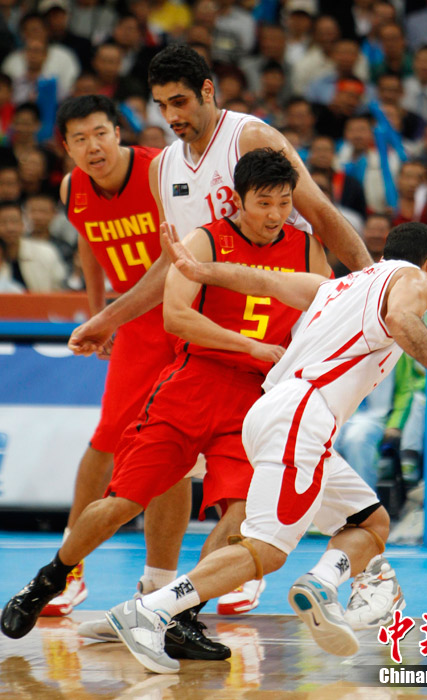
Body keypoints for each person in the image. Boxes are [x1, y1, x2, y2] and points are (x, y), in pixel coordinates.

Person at [64, 44, 394, 624]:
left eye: (181, 101)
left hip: (285, 320)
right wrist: (107, 317)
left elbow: (320, 214)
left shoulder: (249, 138)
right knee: (157, 455)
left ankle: (236, 584)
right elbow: (174, 265)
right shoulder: (166, 165)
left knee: (285, 462)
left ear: (209, 91)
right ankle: (163, 592)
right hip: (208, 328)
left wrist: (372, 288)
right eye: (162, 105)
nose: (173, 115)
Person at [99, 220, 427, 672]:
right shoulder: (415, 279)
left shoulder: (336, 286)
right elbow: (402, 320)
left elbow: (262, 281)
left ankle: (322, 583)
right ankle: (151, 610)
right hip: (303, 415)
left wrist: (202, 270)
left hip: (272, 411)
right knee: (266, 550)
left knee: (370, 522)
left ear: (383, 254)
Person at [0, 147, 331, 658]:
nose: (274, 215)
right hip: (193, 382)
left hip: (256, 398)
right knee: (122, 502)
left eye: (284, 203)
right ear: (237, 199)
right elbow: (176, 316)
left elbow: (325, 316)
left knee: (243, 515)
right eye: (264, 203)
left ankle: (178, 613)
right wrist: (250, 346)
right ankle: (51, 577)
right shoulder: (205, 240)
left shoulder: (307, 250)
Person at [35, 95, 206, 660]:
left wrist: (109, 315)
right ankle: (71, 566)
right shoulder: (73, 190)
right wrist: (97, 310)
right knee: (107, 440)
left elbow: (178, 256)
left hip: (187, 312)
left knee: (186, 446)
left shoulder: (160, 172)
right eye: (80, 138)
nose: (93, 146)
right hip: (133, 323)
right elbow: (90, 243)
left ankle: (165, 583)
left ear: (119, 133)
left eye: (101, 133)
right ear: (67, 148)